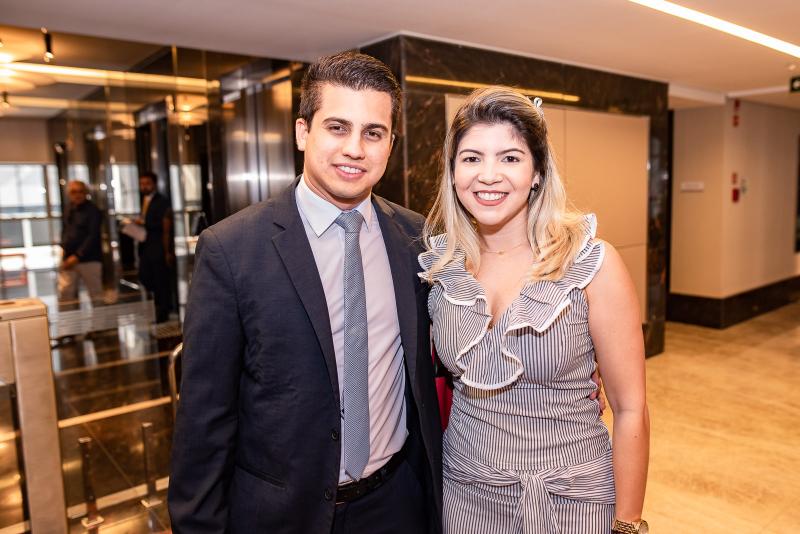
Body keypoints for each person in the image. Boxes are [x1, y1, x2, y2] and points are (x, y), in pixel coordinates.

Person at [168, 52, 443, 533]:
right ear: (302, 132)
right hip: (284, 515)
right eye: (337, 127)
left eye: (373, 133)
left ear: (391, 144)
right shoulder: (231, 250)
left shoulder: (416, 238)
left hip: (397, 502)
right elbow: (204, 419)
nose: (355, 149)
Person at [419, 87, 649, 534]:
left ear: (537, 171)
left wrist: (627, 524)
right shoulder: (440, 268)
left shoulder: (591, 264)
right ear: (452, 172)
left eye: (510, 157)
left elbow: (630, 408)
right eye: (471, 158)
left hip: (573, 497)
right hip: (465, 493)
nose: (488, 175)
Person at [58, 180, 104, 304]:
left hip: (89, 259)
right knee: (66, 295)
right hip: (69, 258)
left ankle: (99, 318)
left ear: (86, 193)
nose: (77, 195)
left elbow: (93, 236)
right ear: (69, 194)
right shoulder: (69, 208)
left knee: (96, 296)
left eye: (81, 191)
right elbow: (65, 231)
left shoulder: (93, 210)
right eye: (73, 192)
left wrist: (77, 256)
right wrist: (64, 252)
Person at [136, 171, 173, 323]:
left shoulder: (162, 201)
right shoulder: (143, 200)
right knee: (145, 276)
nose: (144, 186)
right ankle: (158, 307)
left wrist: (143, 223)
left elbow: (164, 225)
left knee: (160, 280)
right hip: (145, 245)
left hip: (158, 246)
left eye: (147, 183)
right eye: (142, 184)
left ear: (154, 184)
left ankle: (163, 312)